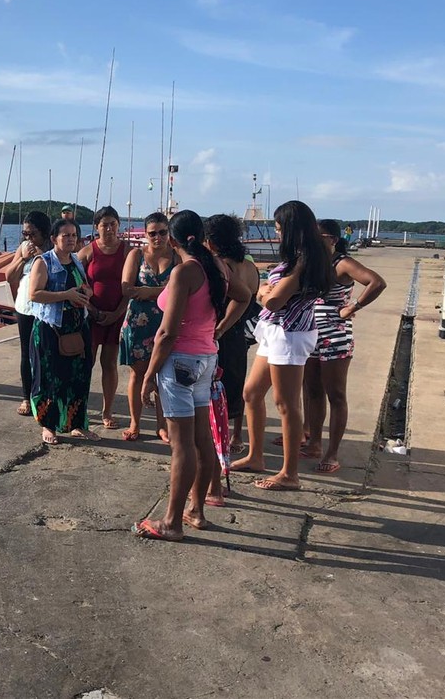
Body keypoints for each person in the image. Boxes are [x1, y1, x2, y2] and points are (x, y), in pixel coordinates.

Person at [132, 210, 250, 541]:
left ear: (173, 239)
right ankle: (196, 510)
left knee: (182, 445)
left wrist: (149, 374)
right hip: (206, 361)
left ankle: (171, 522)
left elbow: (168, 333)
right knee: (202, 440)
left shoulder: (184, 273)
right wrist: (218, 330)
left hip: (179, 362)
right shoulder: (218, 266)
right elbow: (244, 297)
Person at [231, 200, 332, 491]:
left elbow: (274, 300)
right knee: (251, 393)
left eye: (278, 229)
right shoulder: (299, 257)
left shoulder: (305, 261)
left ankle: (290, 473)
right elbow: (271, 293)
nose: (276, 235)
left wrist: (263, 292)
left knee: (286, 404)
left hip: (290, 334)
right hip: (275, 331)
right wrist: (266, 291)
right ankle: (256, 455)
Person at [302, 219, 386, 473]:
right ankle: (314, 442)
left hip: (335, 337)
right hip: (308, 334)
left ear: (333, 240)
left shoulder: (343, 264)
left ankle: (332, 452)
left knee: (336, 394)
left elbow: (376, 282)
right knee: (311, 390)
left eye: (318, 238)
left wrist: (353, 307)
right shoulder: (310, 263)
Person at [204, 214, 261, 505]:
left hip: (219, 338)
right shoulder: (249, 266)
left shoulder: (220, 266)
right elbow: (251, 300)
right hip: (240, 339)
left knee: (213, 407)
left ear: (211, 241)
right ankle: (228, 459)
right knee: (230, 400)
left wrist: (218, 328)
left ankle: (215, 482)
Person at [28, 218, 98, 445]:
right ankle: (48, 425)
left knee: (79, 376)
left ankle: (77, 424)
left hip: (77, 326)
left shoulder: (76, 261)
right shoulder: (44, 261)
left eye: (73, 235)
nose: (70, 239)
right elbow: (35, 294)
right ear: (53, 239)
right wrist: (66, 295)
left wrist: (85, 293)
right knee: (50, 377)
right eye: (65, 235)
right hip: (51, 329)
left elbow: (84, 286)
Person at [119, 212, 175, 442]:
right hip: (138, 322)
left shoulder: (176, 257)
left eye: (163, 232)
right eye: (153, 233)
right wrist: (163, 292)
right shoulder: (136, 255)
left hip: (166, 321)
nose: (158, 237)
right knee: (138, 374)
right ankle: (135, 422)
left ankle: (162, 425)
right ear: (145, 234)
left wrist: (149, 292)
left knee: (164, 375)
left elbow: (183, 290)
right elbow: (126, 288)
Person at [78, 205, 128, 429]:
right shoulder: (88, 251)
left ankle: (107, 411)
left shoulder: (127, 252)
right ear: (96, 227)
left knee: (109, 364)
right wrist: (92, 310)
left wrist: (117, 313)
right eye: (104, 225)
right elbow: (77, 282)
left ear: (119, 226)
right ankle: (80, 409)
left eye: (113, 224)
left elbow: (132, 287)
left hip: (117, 315)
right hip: (91, 315)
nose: (109, 229)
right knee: (85, 363)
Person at [5, 211, 53, 416]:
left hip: (48, 307)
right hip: (26, 307)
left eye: (32, 234)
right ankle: (26, 396)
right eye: (25, 233)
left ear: (44, 232)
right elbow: (9, 276)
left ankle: (48, 395)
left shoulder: (53, 249)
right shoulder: (24, 248)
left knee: (48, 352)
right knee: (27, 352)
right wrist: (22, 259)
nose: (28, 238)